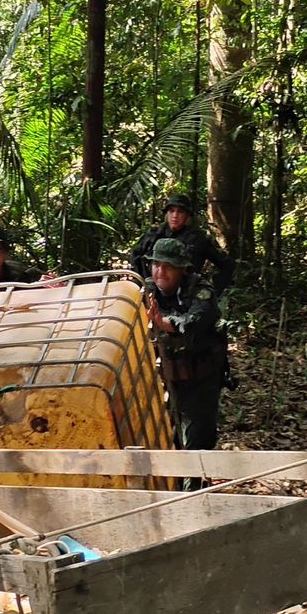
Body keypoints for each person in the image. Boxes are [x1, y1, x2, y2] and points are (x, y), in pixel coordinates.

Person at [144, 238, 225, 455]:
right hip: (163, 380)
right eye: (156, 265)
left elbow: (194, 322)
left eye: (168, 266)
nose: (160, 271)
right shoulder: (146, 289)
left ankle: (195, 487)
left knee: (197, 445)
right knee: (166, 442)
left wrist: (162, 322)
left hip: (199, 382)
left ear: (182, 270)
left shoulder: (201, 290)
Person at [128, 194, 235, 296]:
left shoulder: (199, 239)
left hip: (185, 295)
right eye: (171, 211)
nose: (175, 216)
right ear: (167, 214)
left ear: (187, 215)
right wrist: (140, 281)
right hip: (153, 292)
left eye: (180, 212)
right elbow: (135, 255)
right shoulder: (154, 234)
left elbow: (227, 264)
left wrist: (214, 292)